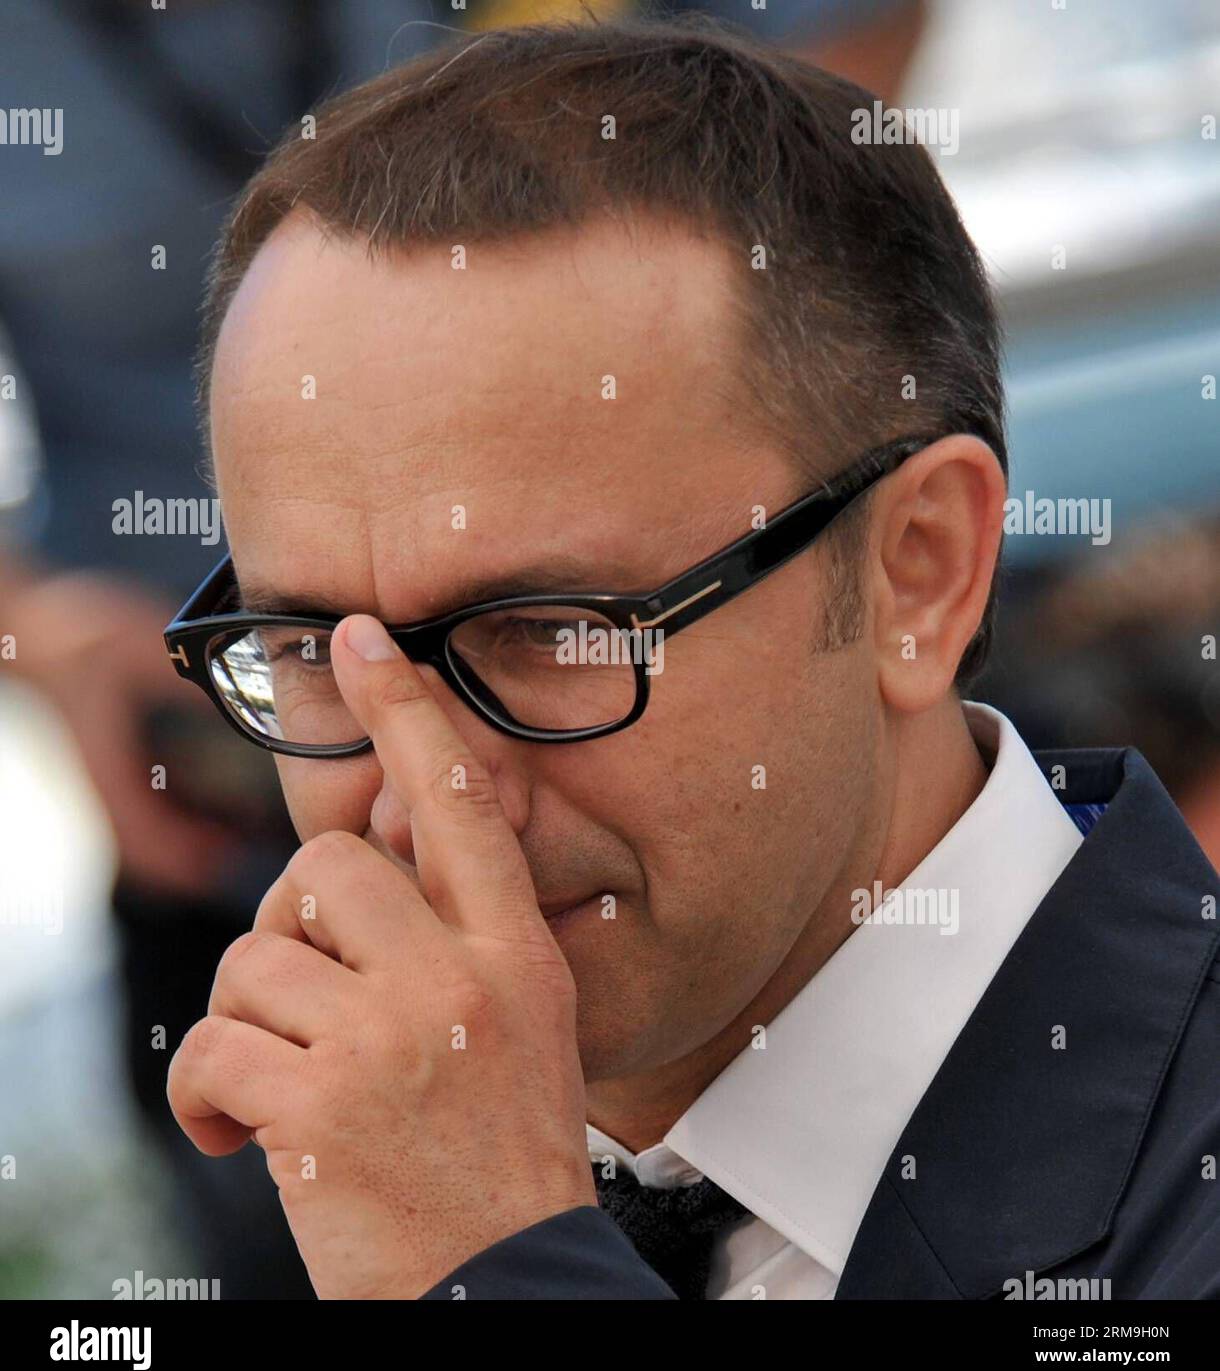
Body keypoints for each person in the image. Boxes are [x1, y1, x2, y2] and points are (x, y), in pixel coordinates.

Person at [161, 17, 1220, 1300]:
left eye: (549, 631)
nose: (414, 797)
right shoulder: (350, 1156)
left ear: (918, 572)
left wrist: (487, 1260)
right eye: (313, 650)